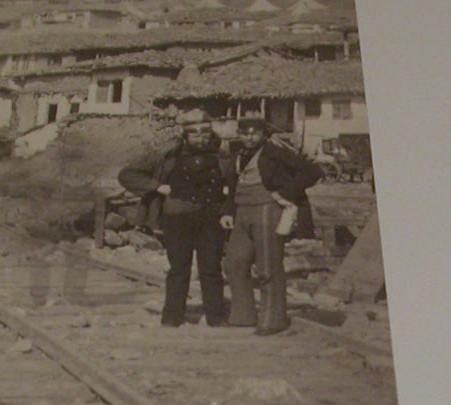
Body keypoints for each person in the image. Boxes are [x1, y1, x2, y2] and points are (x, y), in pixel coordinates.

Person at [118, 110, 232, 328]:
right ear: (185, 135)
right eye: (195, 135)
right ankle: (172, 318)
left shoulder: (222, 156)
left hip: (210, 219)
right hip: (177, 219)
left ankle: (216, 318)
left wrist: (227, 190)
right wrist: (157, 186)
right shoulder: (168, 155)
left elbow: (236, 181)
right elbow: (128, 174)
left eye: (205, 134)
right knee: (179, 268)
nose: (201, 139)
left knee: (211, 268)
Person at [222, 117, 323, 335]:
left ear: (264, 135)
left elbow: (313, 171)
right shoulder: (237, 154)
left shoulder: (276, 152)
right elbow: (232, 185)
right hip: (241, 211)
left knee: (267, 266)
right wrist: (228, 211)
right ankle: (243, 315)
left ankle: (273, 320)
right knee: (234, 264)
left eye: (255, 133)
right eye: (244, 132)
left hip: (267, 209)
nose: (249, 137)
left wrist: (286, 193)